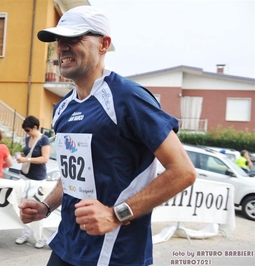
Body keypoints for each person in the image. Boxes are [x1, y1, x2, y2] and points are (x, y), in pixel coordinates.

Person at [18, 6, 196, 265]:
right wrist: (46, 207)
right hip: (67, 245)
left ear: (104, 44)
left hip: (114, 253)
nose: (62, 47)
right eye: (59, 40)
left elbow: (183, 171)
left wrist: (116, 214)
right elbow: (73, 178)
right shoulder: (64, 108)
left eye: (74, 39)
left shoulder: (128, 97)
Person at [14, 115, 50, 249]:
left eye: (28, 130)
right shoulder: (28, 138)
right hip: (25, 175)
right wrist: (21, 156)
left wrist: (27, 160)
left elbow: (45, 158)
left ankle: (40, 237)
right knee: (24, 206)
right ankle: (25, 233)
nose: (27, 133)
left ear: (35, 127)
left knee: (37, 208)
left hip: (37, 177)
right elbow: (28, 154)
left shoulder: (44, 139)